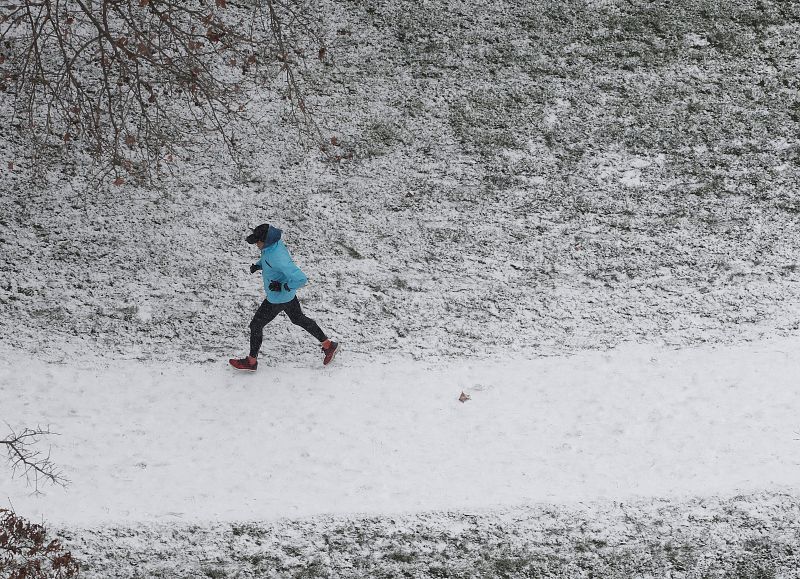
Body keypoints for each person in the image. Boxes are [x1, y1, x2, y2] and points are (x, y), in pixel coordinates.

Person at [229, 223, 338, 371]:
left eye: (257, 241)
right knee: (298, 318)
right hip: (287, 296)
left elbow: (301, 278)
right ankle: (328, 345)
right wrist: (259, 265)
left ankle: (251, 362)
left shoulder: (278, 257)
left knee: (256, 325)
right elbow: (268, 260)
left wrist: (283, 287)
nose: (256, 244)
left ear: (265, 241)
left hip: (277, 298)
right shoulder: (272, 246)